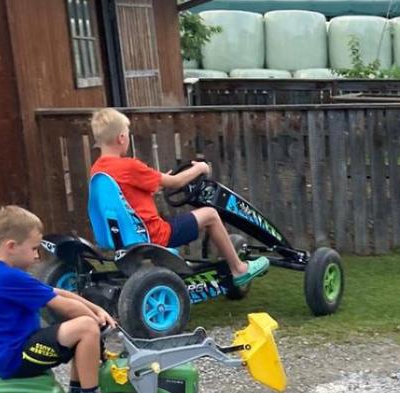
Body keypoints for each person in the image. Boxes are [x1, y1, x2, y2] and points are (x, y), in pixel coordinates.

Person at [0, 205, 135, 393]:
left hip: (10, 352)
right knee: (85, 328)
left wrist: (98, 310)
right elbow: (65, 307)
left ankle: (79, 391)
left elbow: (59, 292)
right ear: (11, 246)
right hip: (13, 358)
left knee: (84, 328)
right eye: (34, 248)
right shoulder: (6, 278)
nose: (37, 256)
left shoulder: (1, 274)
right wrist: (95, 322)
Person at [89, 108, 268, 287]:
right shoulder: (129, 166)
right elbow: (176, 182)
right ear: (121, 138)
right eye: (128, 134)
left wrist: (157, 185)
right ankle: (238, 269)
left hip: (122, 237)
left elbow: (125, 195)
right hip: (154, 235)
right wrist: (200, 168)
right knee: (211, 215)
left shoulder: (97, 170)